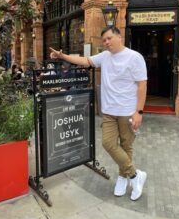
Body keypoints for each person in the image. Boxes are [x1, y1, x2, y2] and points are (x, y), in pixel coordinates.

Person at [49, 26, 147, 201]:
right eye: (104, 40)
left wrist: (139, 111)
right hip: (109, 112)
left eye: (109, 38)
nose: (106, 42)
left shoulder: (135, 57)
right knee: (108, 144)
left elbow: (142, 85)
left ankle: (122, 178)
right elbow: (85, 61)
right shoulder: (104, 57)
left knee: (126, 146)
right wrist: (62, 56)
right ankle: (135, 175)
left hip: (127, 111)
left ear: (119, 37)